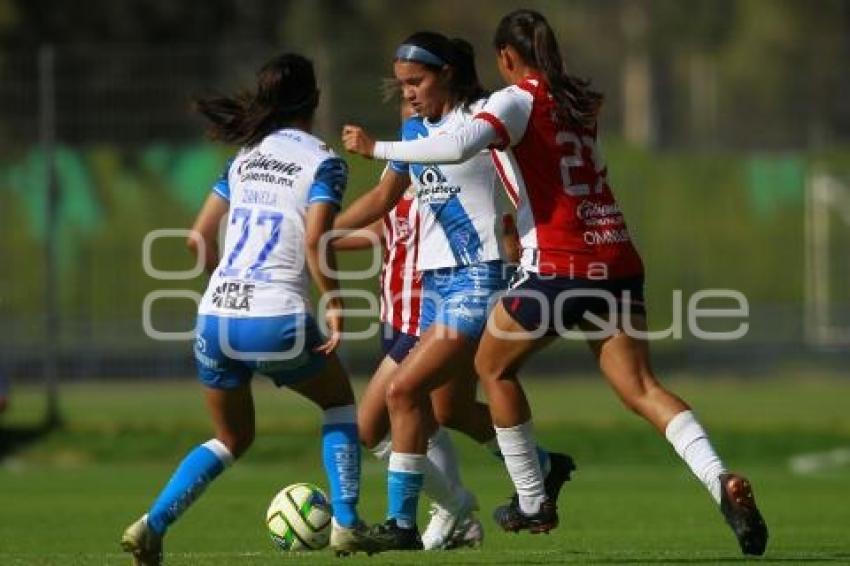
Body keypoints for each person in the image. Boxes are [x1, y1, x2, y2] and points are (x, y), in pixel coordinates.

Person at [341, 10, 768, 557]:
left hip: (559, 263)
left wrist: (376, 149)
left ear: (506, 58)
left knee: (491, 366)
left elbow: (454, 146)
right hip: (615, 258)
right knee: (642, 389)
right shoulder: (578, 102)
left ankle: (532, 498)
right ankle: (720, 482)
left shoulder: (513, 99)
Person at [121, 53, 377, 565]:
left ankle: (152, 525)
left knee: (231, 437)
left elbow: (198, 237)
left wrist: (223, 283)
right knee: (340, 404)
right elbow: (315, 239)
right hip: (276, 313)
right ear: (315, 98)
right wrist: (336, 304)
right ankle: (347, 524)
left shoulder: (245, 157)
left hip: (216, 314)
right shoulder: (323, 160)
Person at [335, 32, 573, 552]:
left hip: (480, 279)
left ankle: (402, 524)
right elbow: (383, 196)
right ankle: (543, 467)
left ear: (446, 73)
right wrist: (322, 230)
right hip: (434, 284)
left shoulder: (487, 118)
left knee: (402, 393)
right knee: (448, 410)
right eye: (402, 85)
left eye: (416, 81)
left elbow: (506, 167)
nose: (410, 93)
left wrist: (519, 234)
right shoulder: (415, 129)